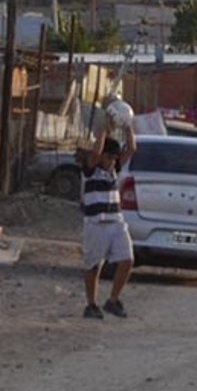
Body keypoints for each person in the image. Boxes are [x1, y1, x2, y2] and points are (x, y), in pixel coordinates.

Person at [80, 123, 136, 320]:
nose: (112, 161)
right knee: (94, 265)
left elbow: (132, 149)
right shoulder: (90, 171)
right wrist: (103, 129)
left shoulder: (114, 170)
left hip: (116, 222)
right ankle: (91, 304)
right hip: (96, 223)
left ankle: (113, 300)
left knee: (127, 259)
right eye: (109, 157)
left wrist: (128, 127)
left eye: (114, 158)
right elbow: (95, 153)